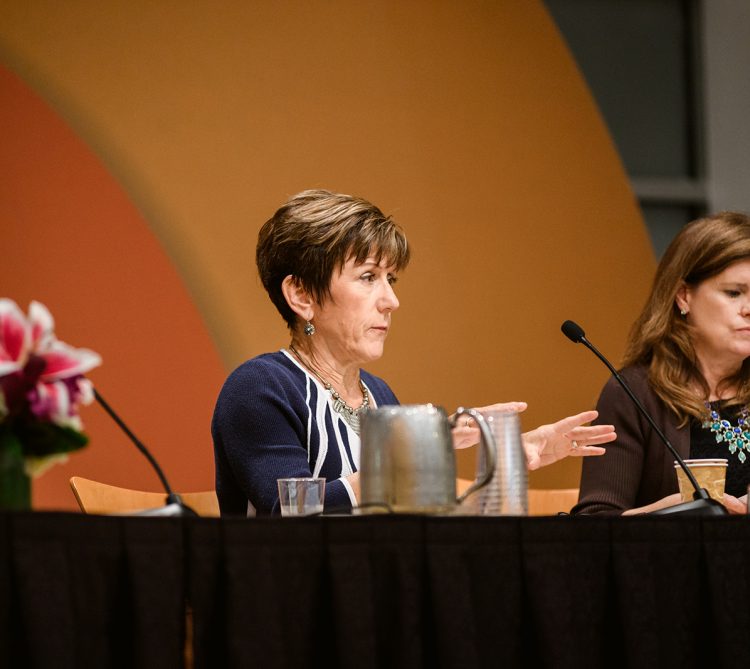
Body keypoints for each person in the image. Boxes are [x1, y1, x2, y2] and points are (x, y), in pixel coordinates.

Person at [212, 189, 615, 515]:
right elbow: (290, 512)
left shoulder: (379, 396)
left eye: (391, 279)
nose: (390, 301)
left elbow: (411, 527)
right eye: (368, 277)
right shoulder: (261, 387)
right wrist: (418, 451)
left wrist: (505, 461)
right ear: (301, 294)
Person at [574, 211, 750, 515]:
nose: (748, 309)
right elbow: (594, 526)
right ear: (683, 296)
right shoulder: (634, 394)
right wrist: (672, 513)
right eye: (734, 293)